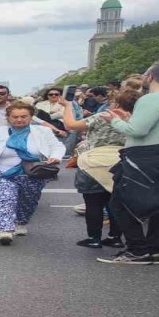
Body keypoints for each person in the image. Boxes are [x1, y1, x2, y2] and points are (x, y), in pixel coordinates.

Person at [102, 62, 159, 265]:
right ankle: (155, 249)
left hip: (144, 155)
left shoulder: (151, 99)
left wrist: (114, 121)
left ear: (150, 78)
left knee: (120, 202)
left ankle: (137, 249)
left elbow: (137, 130)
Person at [57, 86, 135, 250]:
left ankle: (94, 238)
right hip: (121, 161)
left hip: (94, 161)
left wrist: (67, 106)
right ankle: (115, 237)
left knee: (93, 202)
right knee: (116, 202)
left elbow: (71, 125)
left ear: (116, 103)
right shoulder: (135, 119)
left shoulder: (103, 116)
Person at [0, 102, 65, 245]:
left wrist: (55, 157)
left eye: (24, 116)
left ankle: (21, 222)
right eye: (15, 117)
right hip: (3, 174)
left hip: (33, 174)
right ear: (8, 118)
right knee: (5, 200)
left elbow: (57, 146)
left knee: (28, 201)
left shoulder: (43, 131)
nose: (19, 120)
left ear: (31, 117)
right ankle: (5, 230)